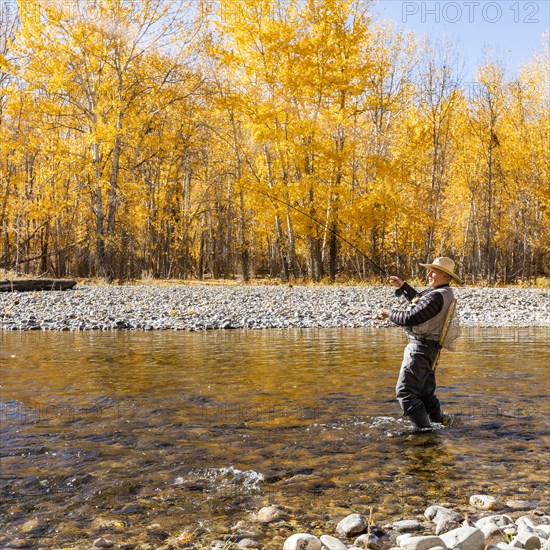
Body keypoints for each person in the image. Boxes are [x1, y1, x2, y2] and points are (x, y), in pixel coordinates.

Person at [378, 257, 462, 429]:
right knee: (425, 395)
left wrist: (388, 313)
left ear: (446, 276)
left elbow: (412, 317)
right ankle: (438, 424)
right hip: (430, 351)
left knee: (405, 393)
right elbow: (420, 303)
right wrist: (403, 287)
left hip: (420, 350)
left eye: (433, 271)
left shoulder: (437, 296)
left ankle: (425, 434)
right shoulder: (442, 293)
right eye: (429, 270)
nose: (428, 274)